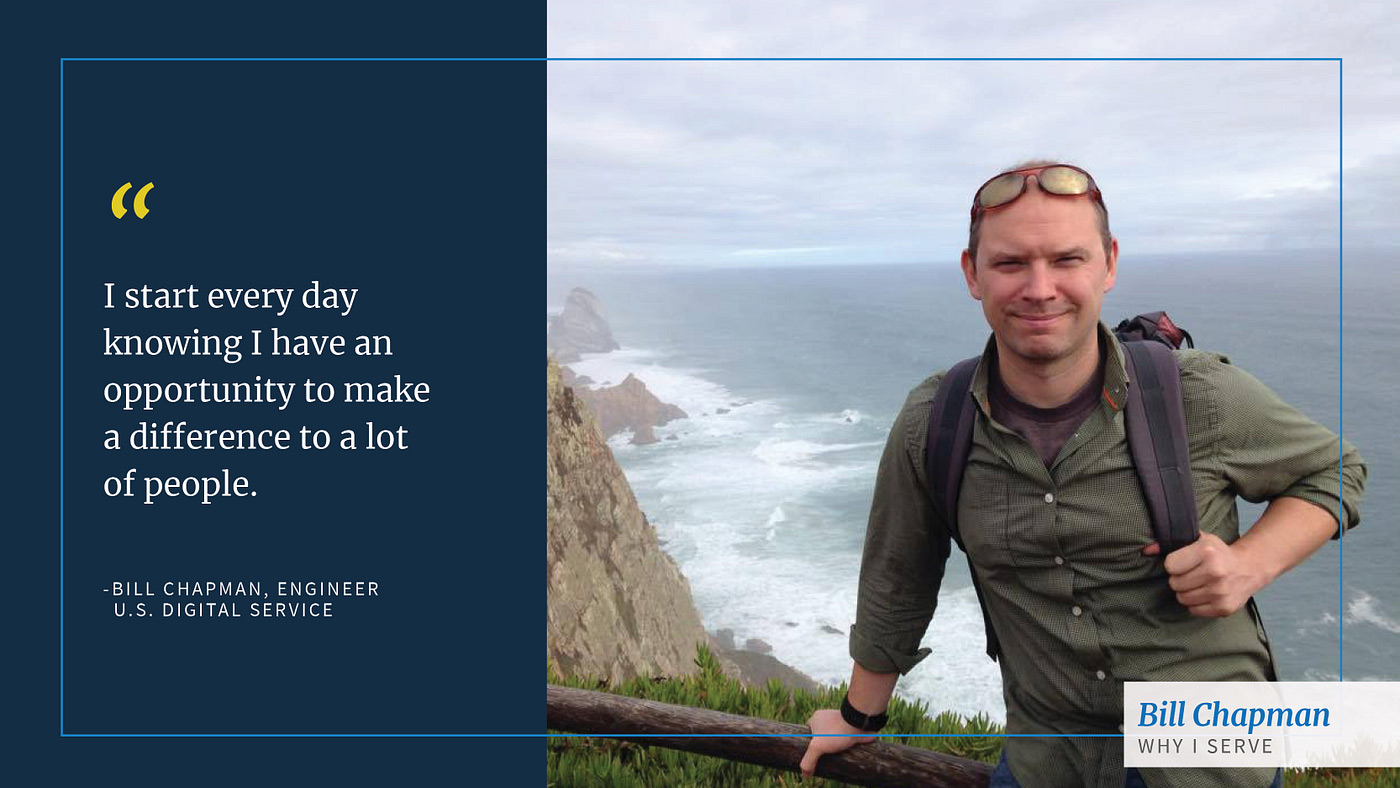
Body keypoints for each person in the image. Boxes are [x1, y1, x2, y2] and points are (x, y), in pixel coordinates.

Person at [798, 161, 1366, 788]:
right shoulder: (936, 422)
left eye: (1067, 260)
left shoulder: (1194, 394)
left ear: (1108, 264)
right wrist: (858, 717)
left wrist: (1249, 564)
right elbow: (898, 577)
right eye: (1011, 263)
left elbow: (1335, 469)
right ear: (972, 274)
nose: (1040, 288)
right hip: (1049, 760)